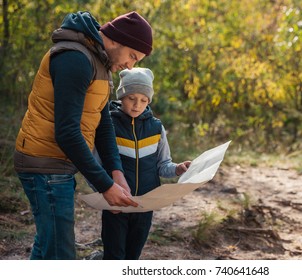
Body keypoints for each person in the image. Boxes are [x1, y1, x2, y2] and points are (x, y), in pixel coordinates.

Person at [13, 11, 153, 260]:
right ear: (116, 39)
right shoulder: (75, 58)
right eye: (132, 55)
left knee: (48, 246)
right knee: (61, 255)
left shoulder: (100, 61)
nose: (131, 65)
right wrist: (105, 186)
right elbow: (67, 132)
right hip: (44, 163)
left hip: (58, 164)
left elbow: (103, 122)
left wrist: (116, 171)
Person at [99, 67, 191, 260]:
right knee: (114, 257)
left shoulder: (156, 128)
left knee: (133, 256)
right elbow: (97, 167)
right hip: (117, 206)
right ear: (122, 96)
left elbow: (163, 165)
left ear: (149, 101)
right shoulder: (108, 126)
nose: (136, 105)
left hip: (145, 207)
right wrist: (104, 192)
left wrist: (177, 169)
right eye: (131, 98)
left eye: (143, 100)